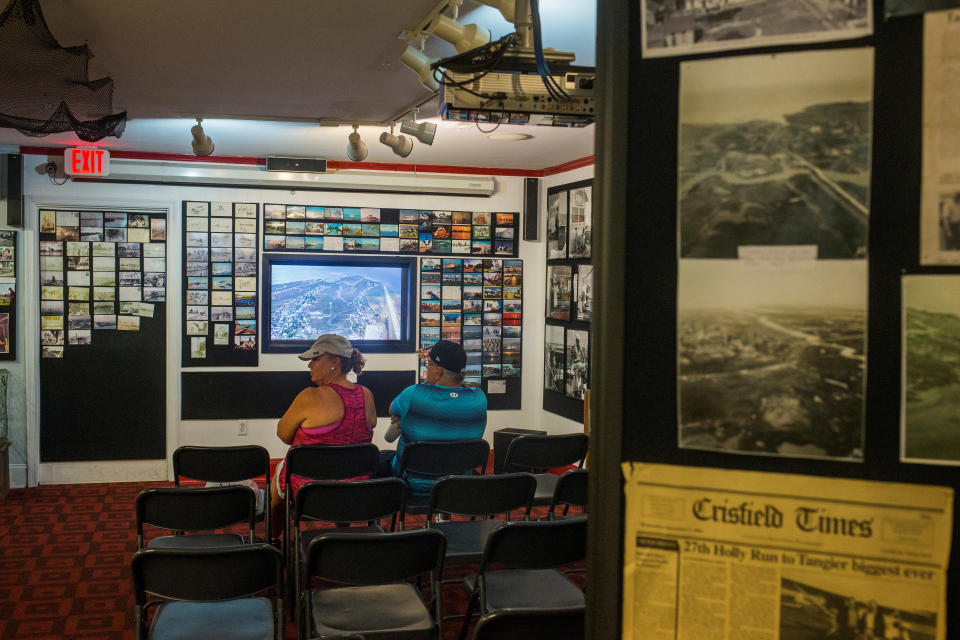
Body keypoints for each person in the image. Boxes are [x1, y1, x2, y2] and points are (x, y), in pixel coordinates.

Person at [269, 334, 377, 538]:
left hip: (309, 492)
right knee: (343, 465)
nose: (310, 365)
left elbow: (283, 434)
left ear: (335, 362)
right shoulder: (367, 394)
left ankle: (274, 540)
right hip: (354, 488)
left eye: (316, 359)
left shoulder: (310, 396)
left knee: (278, 479)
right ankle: (341, 534)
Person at [380, 340, 487, 500]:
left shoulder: (414, 394)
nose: (426, 368)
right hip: (460, 485)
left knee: (381, 458)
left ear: (438, 371)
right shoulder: (479, 398)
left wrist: (407, 416)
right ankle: (443, 515)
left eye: (428, 364)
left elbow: (391, 410)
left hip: (415, 488)